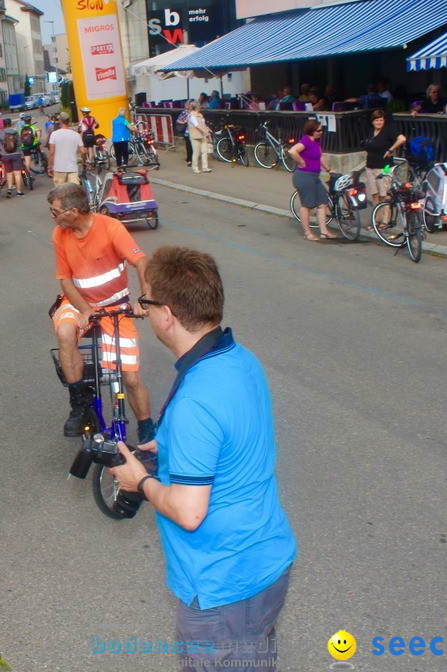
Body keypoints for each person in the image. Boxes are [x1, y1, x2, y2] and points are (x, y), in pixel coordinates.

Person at [108, 246, 296, 672]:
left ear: (167, 314)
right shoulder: (238, 359)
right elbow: (233, 436)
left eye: (146, 302)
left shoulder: (196, 399)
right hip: (266, 561)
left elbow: (190, 513)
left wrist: (141, 481)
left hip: (223, 585)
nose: (143, 311)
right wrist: (171, 445)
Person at [47, 183, 155, 441]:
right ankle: (80, 406)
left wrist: (146, 298)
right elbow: (65, 281)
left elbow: (140, 261)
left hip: (115, 306)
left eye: (55, 211)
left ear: (73, 211)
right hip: (77, 303)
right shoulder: (59, 235)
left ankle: (147, 428)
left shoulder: (111, 228)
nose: (52, 216)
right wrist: (84, 310)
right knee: (65, 332)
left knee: (130, 377)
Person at [287, 120, 336, 241]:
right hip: (304, 176)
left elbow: (321, 156)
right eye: (318, 130)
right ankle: (307, 233)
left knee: (323, 203)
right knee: (307, 205)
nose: (321, 132)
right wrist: (301, 161)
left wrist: (329, 169)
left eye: (321, 130)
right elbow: (292, 151)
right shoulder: (306, 141)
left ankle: (324, 232)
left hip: (314, 176)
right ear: (311, 131)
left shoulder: (316, 141)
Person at [362, 110, 406, 228]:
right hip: (370, 165)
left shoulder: (388, 130)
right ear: (373, 121)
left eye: (381, 120)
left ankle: (386, 221)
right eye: (377, 120)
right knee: (374, 194)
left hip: (384, 166)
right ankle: (375, 219)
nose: (379, 122)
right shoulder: (371, 131)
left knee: (384, 194)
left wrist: (391, 150)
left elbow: (402, 139)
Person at [47, 114, 82, 185]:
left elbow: (51, 153)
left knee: (60, 193)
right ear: (68, 121)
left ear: (60, 121)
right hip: (73, 168)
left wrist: (50, 167)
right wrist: (84, 162)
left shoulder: (54, 134)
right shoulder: (76, 134)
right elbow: (83, 151)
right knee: (73, 192)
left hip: (59, 168)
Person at [0, 121, 25, 197]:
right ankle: (19, 191)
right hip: (16, 154)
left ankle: (9, 188)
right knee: (17, 173)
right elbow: (19, 143)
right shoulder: (15, 132)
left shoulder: (1, 132)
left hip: (5, 155)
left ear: (3, 124)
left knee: (9, 173)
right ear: (10, 124)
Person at [188, 103, 212, 174]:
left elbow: (203, 125)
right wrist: (205, 131)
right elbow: (197, 126)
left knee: (204, 152)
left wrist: (207, 130)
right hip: (195, 136)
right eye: (199, 106)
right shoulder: (192, 116)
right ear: (197, 107)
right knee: (196, 153)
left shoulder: (200, 115)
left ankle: (205, 167)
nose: (201, 107)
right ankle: (195, 168)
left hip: (202, 135)